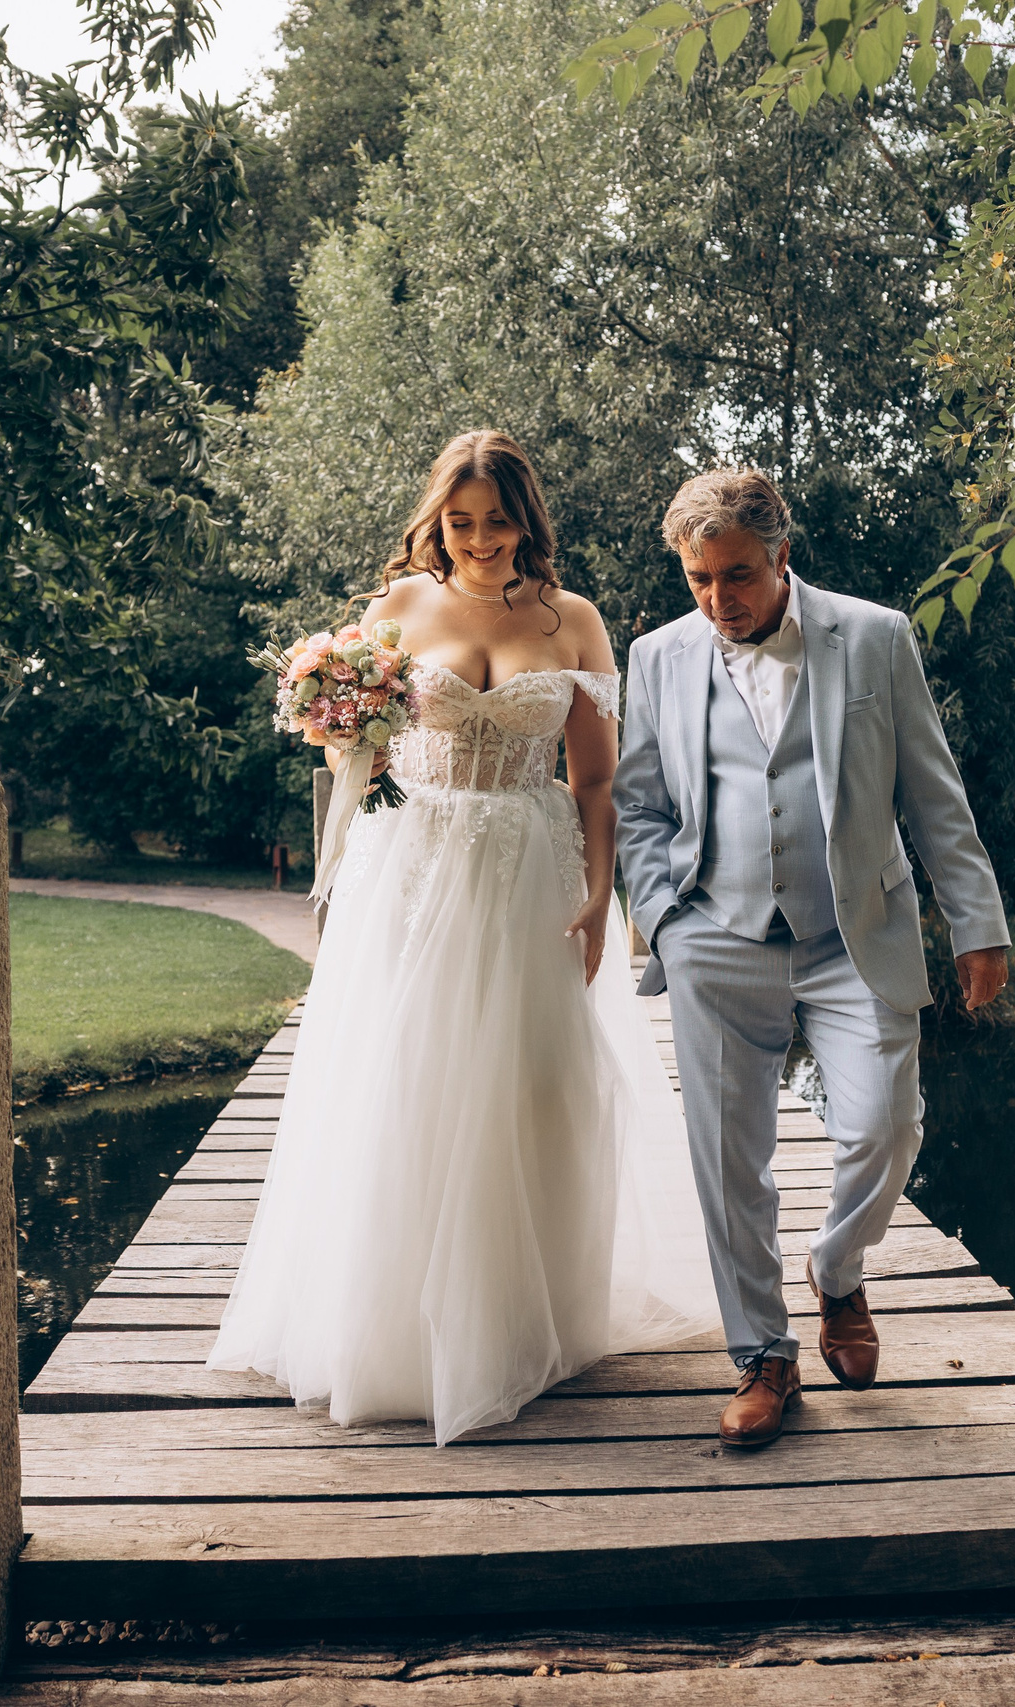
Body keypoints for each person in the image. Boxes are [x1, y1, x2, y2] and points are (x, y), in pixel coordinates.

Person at [207, 431, 716, 1443]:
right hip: (414, 868)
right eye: (460, 523)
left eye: (497, 521)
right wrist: (336, 716)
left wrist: (598, 894)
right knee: (409, 1079)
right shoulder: (396, 610)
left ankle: (522, 1318)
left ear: (528, 519)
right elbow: (359, 741)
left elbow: (600, 778)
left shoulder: (571, 621)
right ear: (436, 523)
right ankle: (394, 1326)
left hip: (531, 869)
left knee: (530, 1084)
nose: (480, 542)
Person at [615, 468, 1012, 1450]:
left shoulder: (873, 639)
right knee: (725, 1162)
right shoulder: (659, 657)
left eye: (737, 575)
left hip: (853, 935)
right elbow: (638, 806)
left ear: (781, 555)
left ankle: (837, 1270)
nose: (719, 599)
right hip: (715, 936)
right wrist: (666, 922)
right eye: (699, 580)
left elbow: (933, 794)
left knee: (884, 1128)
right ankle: (764, 1357)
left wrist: (978, 923)